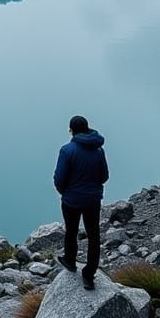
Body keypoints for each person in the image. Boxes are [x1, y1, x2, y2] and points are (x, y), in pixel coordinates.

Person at [53, 115, 109, 289]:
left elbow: (59, 179)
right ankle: (89, 275)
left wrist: (65, 192)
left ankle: (70, 261)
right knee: (93, 235)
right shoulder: (99, 150)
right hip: (93, 200)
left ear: (71, 130)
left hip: (72, 200)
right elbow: (104, 176)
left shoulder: (67, 150)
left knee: (71, 231)